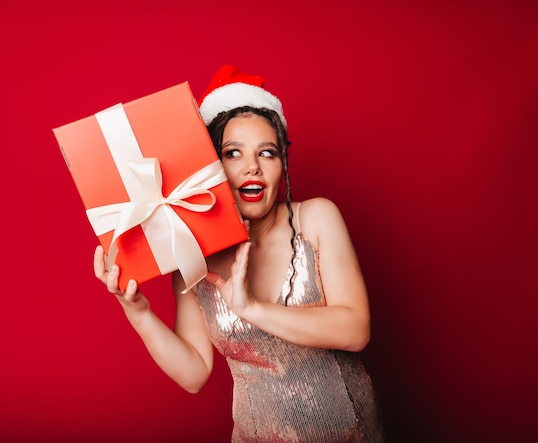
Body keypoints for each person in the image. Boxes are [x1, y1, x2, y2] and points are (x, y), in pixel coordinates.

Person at [94, 65, 384, 442]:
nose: (252, 167)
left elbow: (355, 330)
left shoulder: (316, 218)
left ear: (282, 164)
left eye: (267, 153)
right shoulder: (191, 255)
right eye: (233, 153)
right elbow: (194, 373)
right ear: (210, 167)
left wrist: (252, 309)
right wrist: (137, 311)